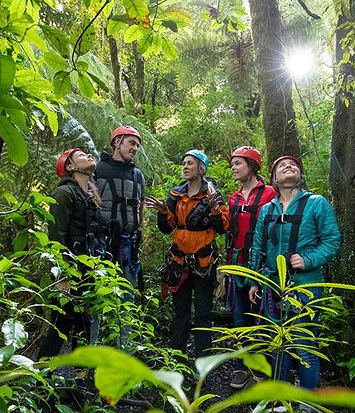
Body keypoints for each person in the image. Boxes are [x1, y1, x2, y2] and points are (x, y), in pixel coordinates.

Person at [247, 155, 340, 405]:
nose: (289, 167)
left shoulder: (316, 203)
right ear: (275, 179)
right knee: (278, 343)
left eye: (294, 165)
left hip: (305, 285)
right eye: (281, 166)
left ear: (300, 175)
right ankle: (283, 399)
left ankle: (308, 404)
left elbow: (332, 241)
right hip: (272, 285)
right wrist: (255, 280)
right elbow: (258, 245)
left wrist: (308, 259)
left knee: (303, 344)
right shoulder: (268, 209)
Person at [145, 150, 230, 359]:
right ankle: (177, 357)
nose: (185, 167)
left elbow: (224, 227)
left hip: (204, 264)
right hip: (179, 262)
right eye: (183, 163)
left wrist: (214, 209)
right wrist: (164, 211)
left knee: (203, 314)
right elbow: (168, 228)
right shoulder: (176, 194)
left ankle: (203, 360)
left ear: (201, 168)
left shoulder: (212, 195)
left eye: (190, 163)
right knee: (181, 314)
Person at [38, 148, 106, 360]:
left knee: (84, 324)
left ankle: (80, 380)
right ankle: (39, 376)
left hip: (88, 270)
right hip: (69, 270)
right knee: (62, 322)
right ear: (70, 166)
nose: (88, 156)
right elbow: (56, 235)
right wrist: (62, 276)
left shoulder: (90, 196)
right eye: (81, 156)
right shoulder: (64, 193)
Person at [225, 146, 278, 389]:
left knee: (263, 316)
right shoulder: (234, 198)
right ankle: (244, 366)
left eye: (238, 163)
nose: (233, 168)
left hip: (262, 263)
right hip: (237, 262)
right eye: (232, 164)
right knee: (239, 316)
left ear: (252, 166)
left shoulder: (269, 193)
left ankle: (264, 369)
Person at [95, 126, 145, 292]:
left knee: (126, 298)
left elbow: (140, 208)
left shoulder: (137, 175)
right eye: (132, 143)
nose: (135, 148)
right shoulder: (98, 169)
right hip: (102, 244)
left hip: (129, 247)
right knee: (100, 296)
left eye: (137, 145)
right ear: (117, 142)